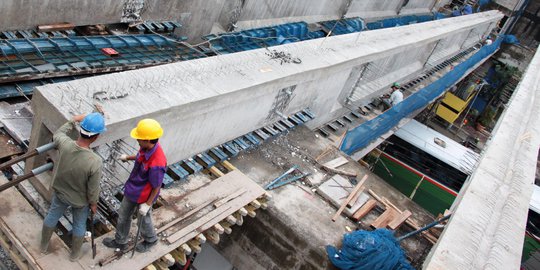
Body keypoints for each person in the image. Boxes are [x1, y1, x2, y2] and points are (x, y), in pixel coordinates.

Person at [40, 113, 106, 261]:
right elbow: (93, 188)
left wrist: (74, 120)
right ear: (96, 137)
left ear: (81, 130)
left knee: (52, 216)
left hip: (60, 192)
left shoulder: (65, 144)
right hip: (80, 200)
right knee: (79, 225)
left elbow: (58, 133)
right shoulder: (95, 161)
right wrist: (94, 203)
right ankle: (74, 255)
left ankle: (43, 246)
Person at [103, 119, 167, 253]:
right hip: (133, 188)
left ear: (148, 140)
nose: (137, 140)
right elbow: (140, 157)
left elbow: (156, 186)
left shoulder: (157, 162)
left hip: (144, 195)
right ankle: (120, 241)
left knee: (142, 220)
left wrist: (148, 204)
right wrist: (128, 157)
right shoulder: (145, 147)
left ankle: (151, 239)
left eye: (139, 138)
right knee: (123, 215)